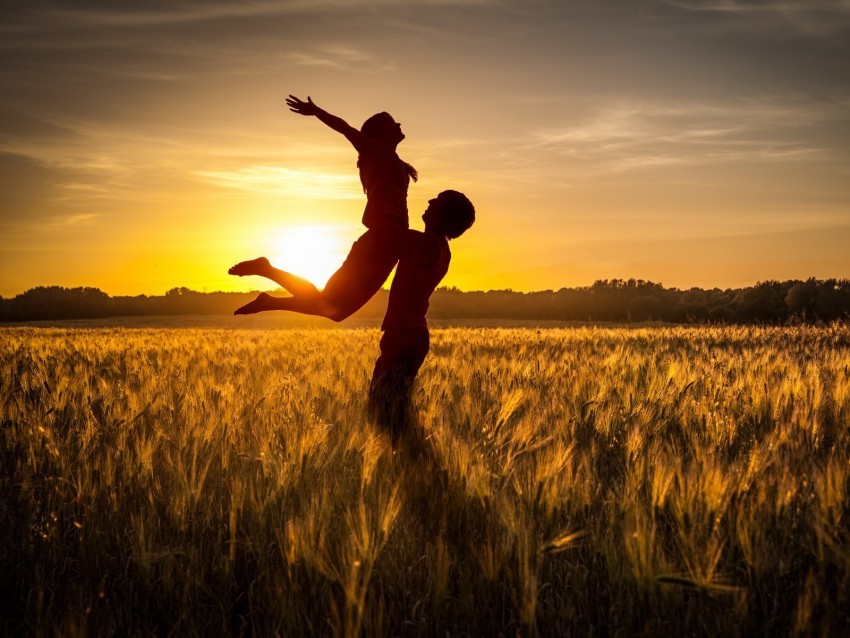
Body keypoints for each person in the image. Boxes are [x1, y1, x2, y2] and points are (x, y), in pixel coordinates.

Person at [230, 95, 417, 320]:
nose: (399, 125)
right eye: (392, 123)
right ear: (381, 133)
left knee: (336, 311)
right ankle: (266, 271)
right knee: (329, 304)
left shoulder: (393, 161)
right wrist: (317, 111)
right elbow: (346, 129)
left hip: (390, 243)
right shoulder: (376, 152)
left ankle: (268, 297)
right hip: (379, 241)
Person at [368, 190, 475, 448]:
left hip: (404, 335)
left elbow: (381, 230)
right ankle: (411, 464)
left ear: (444, 215)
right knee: (393, 410)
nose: (429, 202)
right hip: (410, 335)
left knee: (383, 410)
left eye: (436, 201)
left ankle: (409, 464)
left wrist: (384, 183)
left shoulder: (425, 245)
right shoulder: (437, 247)